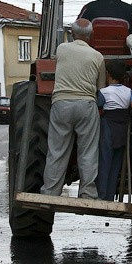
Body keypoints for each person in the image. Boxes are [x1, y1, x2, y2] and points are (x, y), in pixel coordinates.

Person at [41, 18, 106, 199]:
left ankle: (51, 192)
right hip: (86, 104)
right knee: (88, 151)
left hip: (61, 104)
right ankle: (87, 193)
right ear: (91, 35)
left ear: (72, 33)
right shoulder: (98, 56)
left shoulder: (61, 49)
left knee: (57, 151)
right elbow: (100, 88)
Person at [97, 60, 132, 201]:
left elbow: (97, 106)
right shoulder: (128, 91)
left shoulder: (104, 92)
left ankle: (102, 195)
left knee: (104, 162)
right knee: (116, 165)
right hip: (123, 129)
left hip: (108, 126)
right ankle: (110, 197)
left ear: (108, 75)